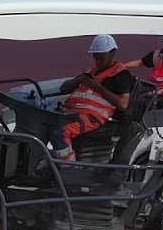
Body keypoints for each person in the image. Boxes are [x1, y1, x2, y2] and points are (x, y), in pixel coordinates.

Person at [48, 34, 135, 162]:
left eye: (101, 58)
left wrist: (98, 87)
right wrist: (78, 80)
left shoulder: (122, 75)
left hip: (92, 117)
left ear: (112, 53)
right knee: (43, 122)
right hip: (71, 111)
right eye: (95, 58)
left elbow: (123, 104)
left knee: (60, 132)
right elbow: (64, 88)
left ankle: (69, 168)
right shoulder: (93, 70)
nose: (98, 62)